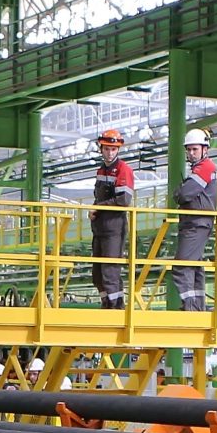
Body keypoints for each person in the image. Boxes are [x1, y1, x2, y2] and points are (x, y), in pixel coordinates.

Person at [170, 126, 217, 312]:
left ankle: (190, 308)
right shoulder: (199, 169)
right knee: (195, 266)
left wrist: (180, 192)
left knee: (182, 266)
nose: (191, 153)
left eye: (194, 149)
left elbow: (184, 194)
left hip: (197, 222)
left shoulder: (206, 167)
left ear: (205, 149)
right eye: (188, 149)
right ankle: (197, 307)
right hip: (195, 222)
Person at [88, 128, 136, 309]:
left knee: (110, 270)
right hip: (100, 227)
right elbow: (99, 196)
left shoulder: (124, 170)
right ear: (101, 149)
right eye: (107, 149)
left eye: (113, 149)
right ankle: (106, 303)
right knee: (97, 273)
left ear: (118, 150)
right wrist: (94, 209)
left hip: (114, 228)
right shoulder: (101, 170)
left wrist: (98, 207)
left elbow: (123, 200)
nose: (110, 153)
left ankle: (116, 307)